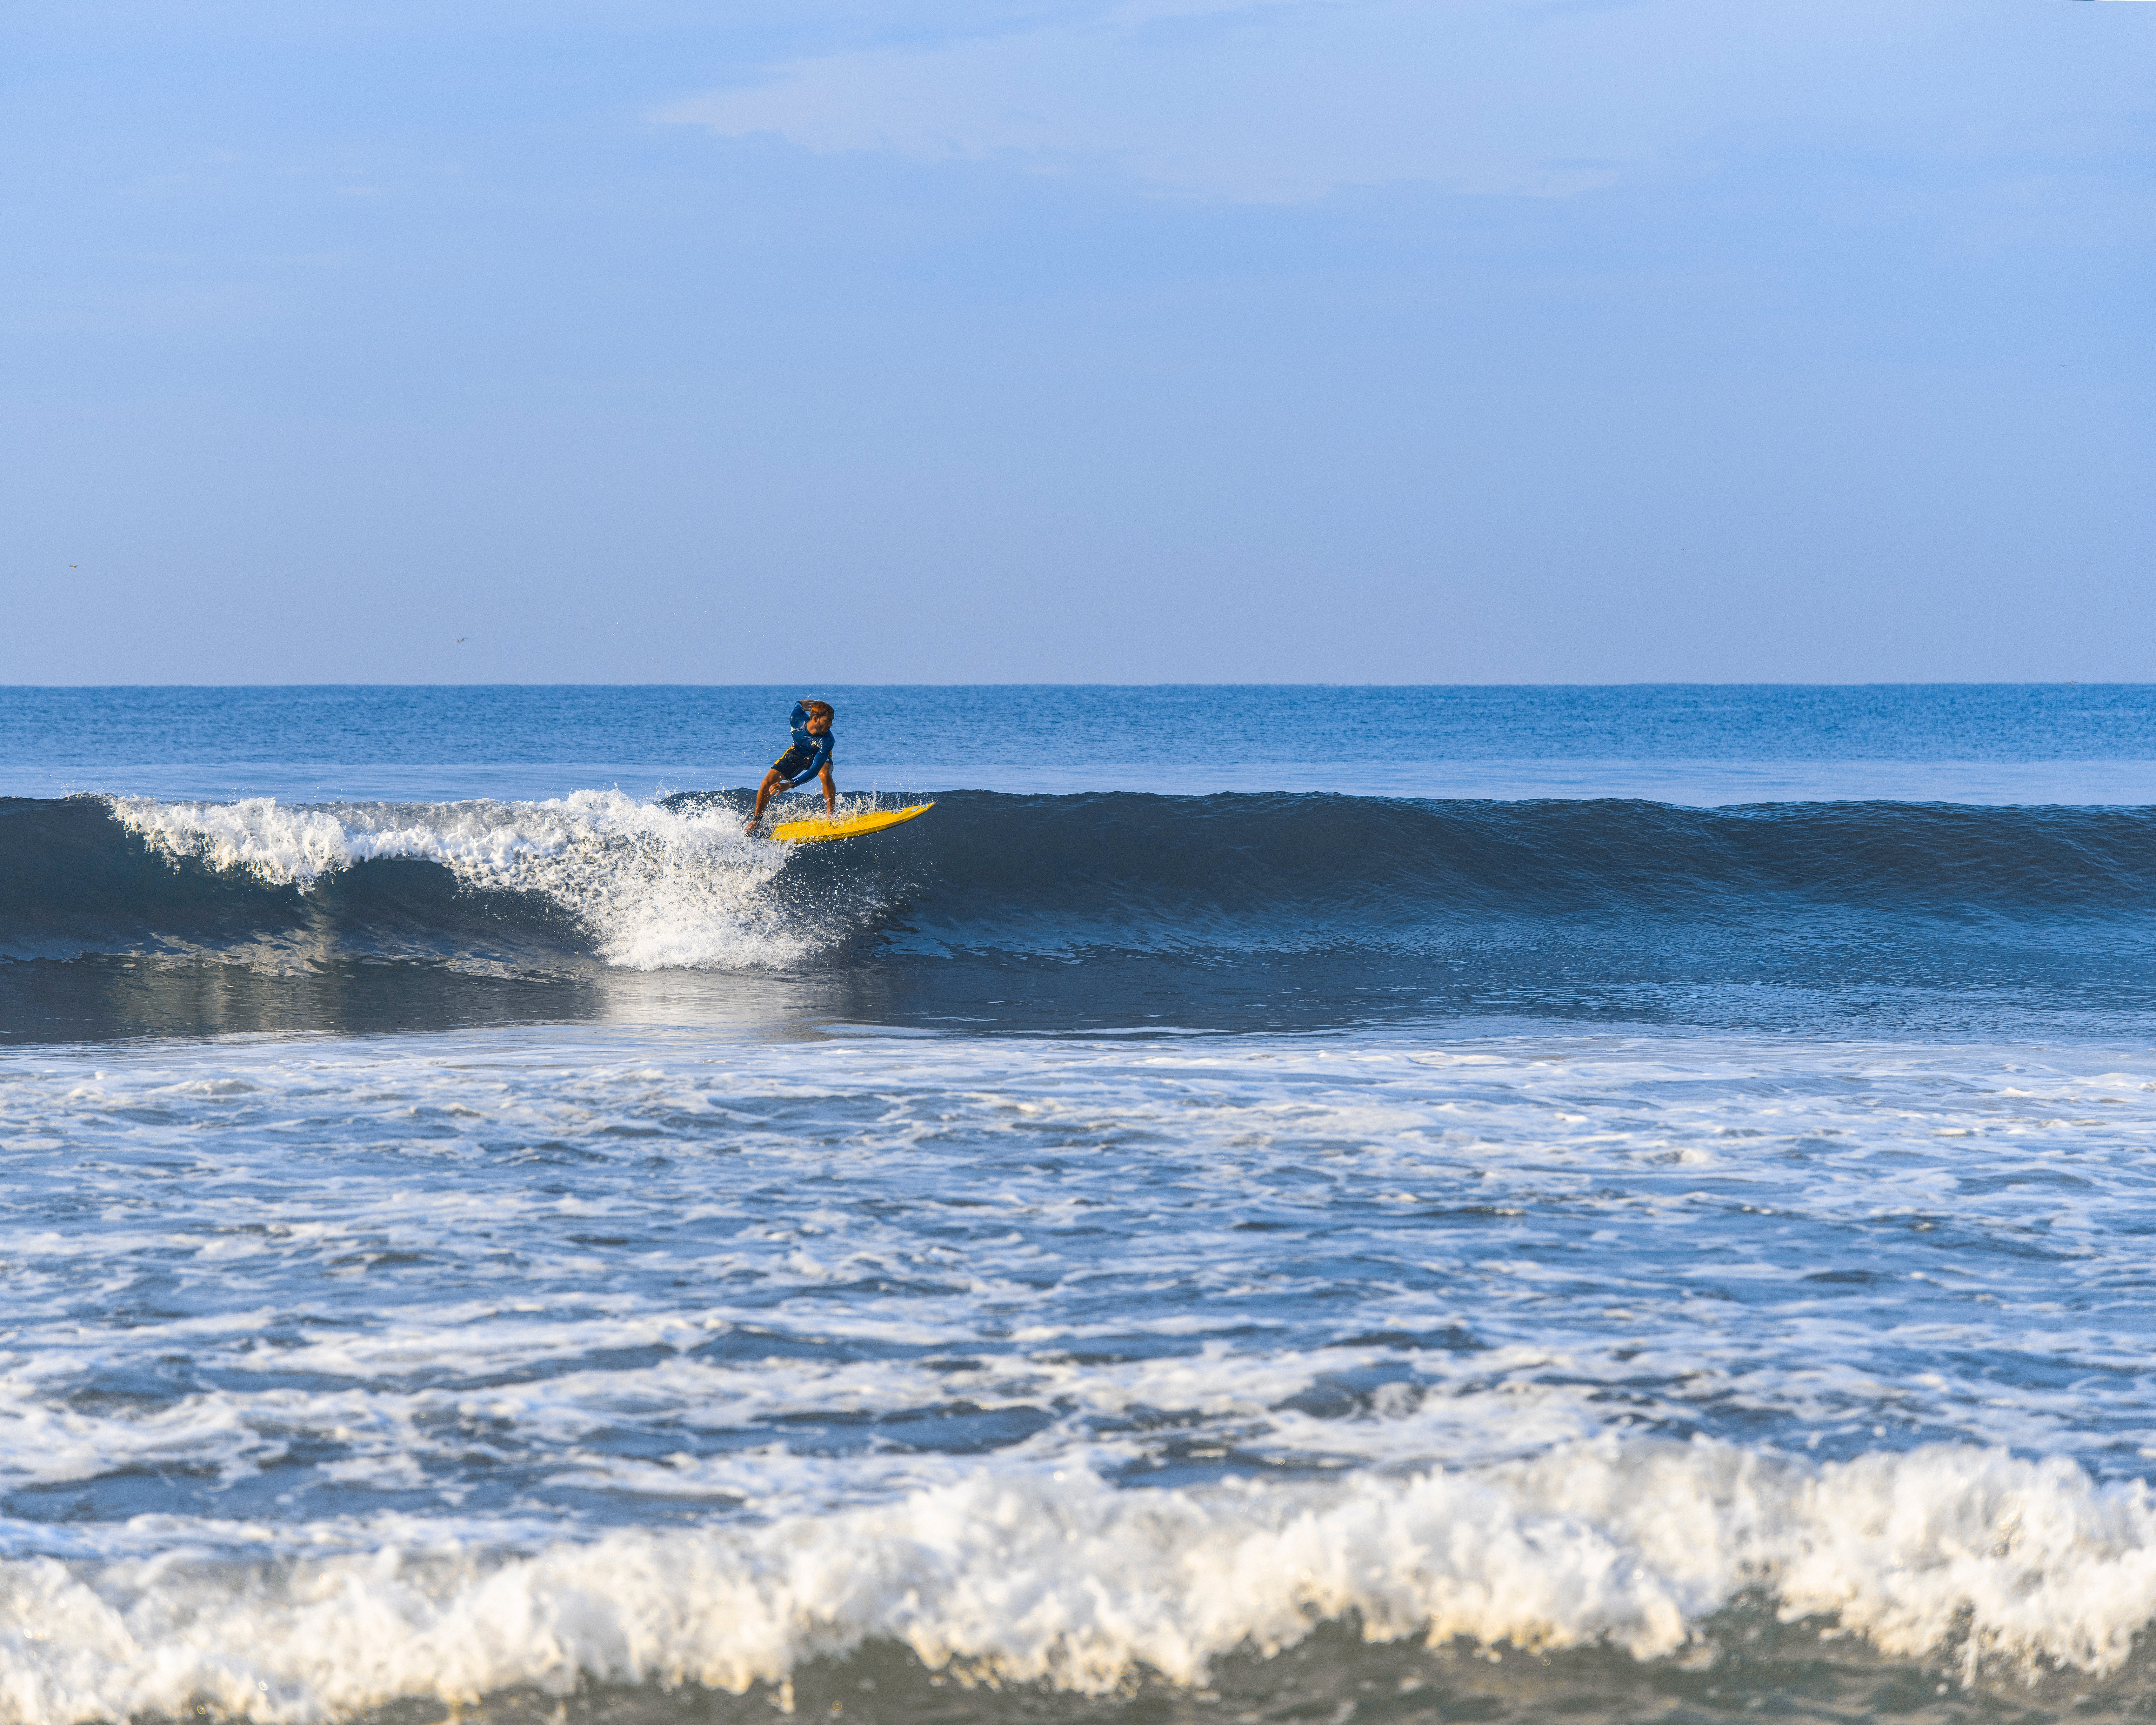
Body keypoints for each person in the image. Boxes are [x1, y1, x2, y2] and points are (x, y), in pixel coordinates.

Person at [746, 700, 837, 832]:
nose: (831, 725)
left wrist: (790, 784)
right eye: (828, 720)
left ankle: (830, 814)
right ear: (816, 719)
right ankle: (756, 821)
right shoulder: (796, 719)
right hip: (796, 753)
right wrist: (801, 703)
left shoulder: (827, 740)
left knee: (824, 773)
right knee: (767, 783)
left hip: (818, 754)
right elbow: (798, 705)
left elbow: (815, 769)